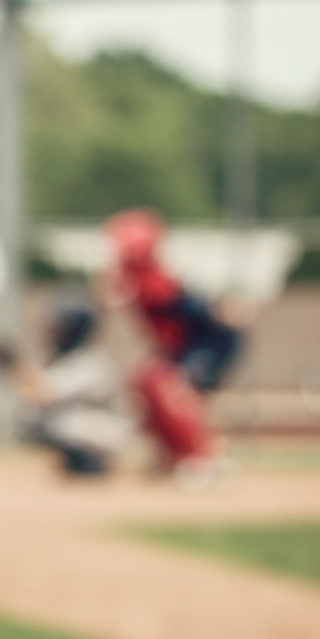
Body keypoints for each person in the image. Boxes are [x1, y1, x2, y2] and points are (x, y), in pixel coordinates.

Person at [101, 207, 241, 486]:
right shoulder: (137, 279)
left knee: (166, 386)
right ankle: (174, 455)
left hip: (209, 342)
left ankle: (200, 460)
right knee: (145, 380)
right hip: (182, 345)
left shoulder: (153, 280)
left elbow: (193, 313)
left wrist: (221, 312)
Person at [20, 300, 130, 479]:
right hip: (94, 425)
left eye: (60, 327)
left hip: (107, 432)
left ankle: (92, 463)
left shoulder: (89, 361)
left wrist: (14, 365)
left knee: (57, 421)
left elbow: (42, 394)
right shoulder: (73, 359)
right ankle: (78, 463)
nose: (56, 333)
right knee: (39, 416)